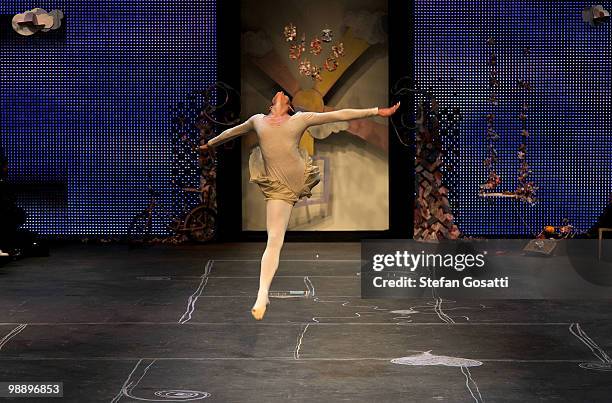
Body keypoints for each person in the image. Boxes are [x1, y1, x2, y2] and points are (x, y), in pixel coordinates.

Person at [200, 90, 400, 320]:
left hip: (296, 178)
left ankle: (263, 293)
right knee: (274, 240)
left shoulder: (299, 119)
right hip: (277, 188)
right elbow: (232, 132)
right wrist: (210, 144)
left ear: (289, 106)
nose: (281, 93)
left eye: (285, 94)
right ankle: (262, 294)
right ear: (272, 103)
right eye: (279, 93)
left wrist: (376, 111)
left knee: (275, 239)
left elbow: (339, 115)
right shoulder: (257, 120)